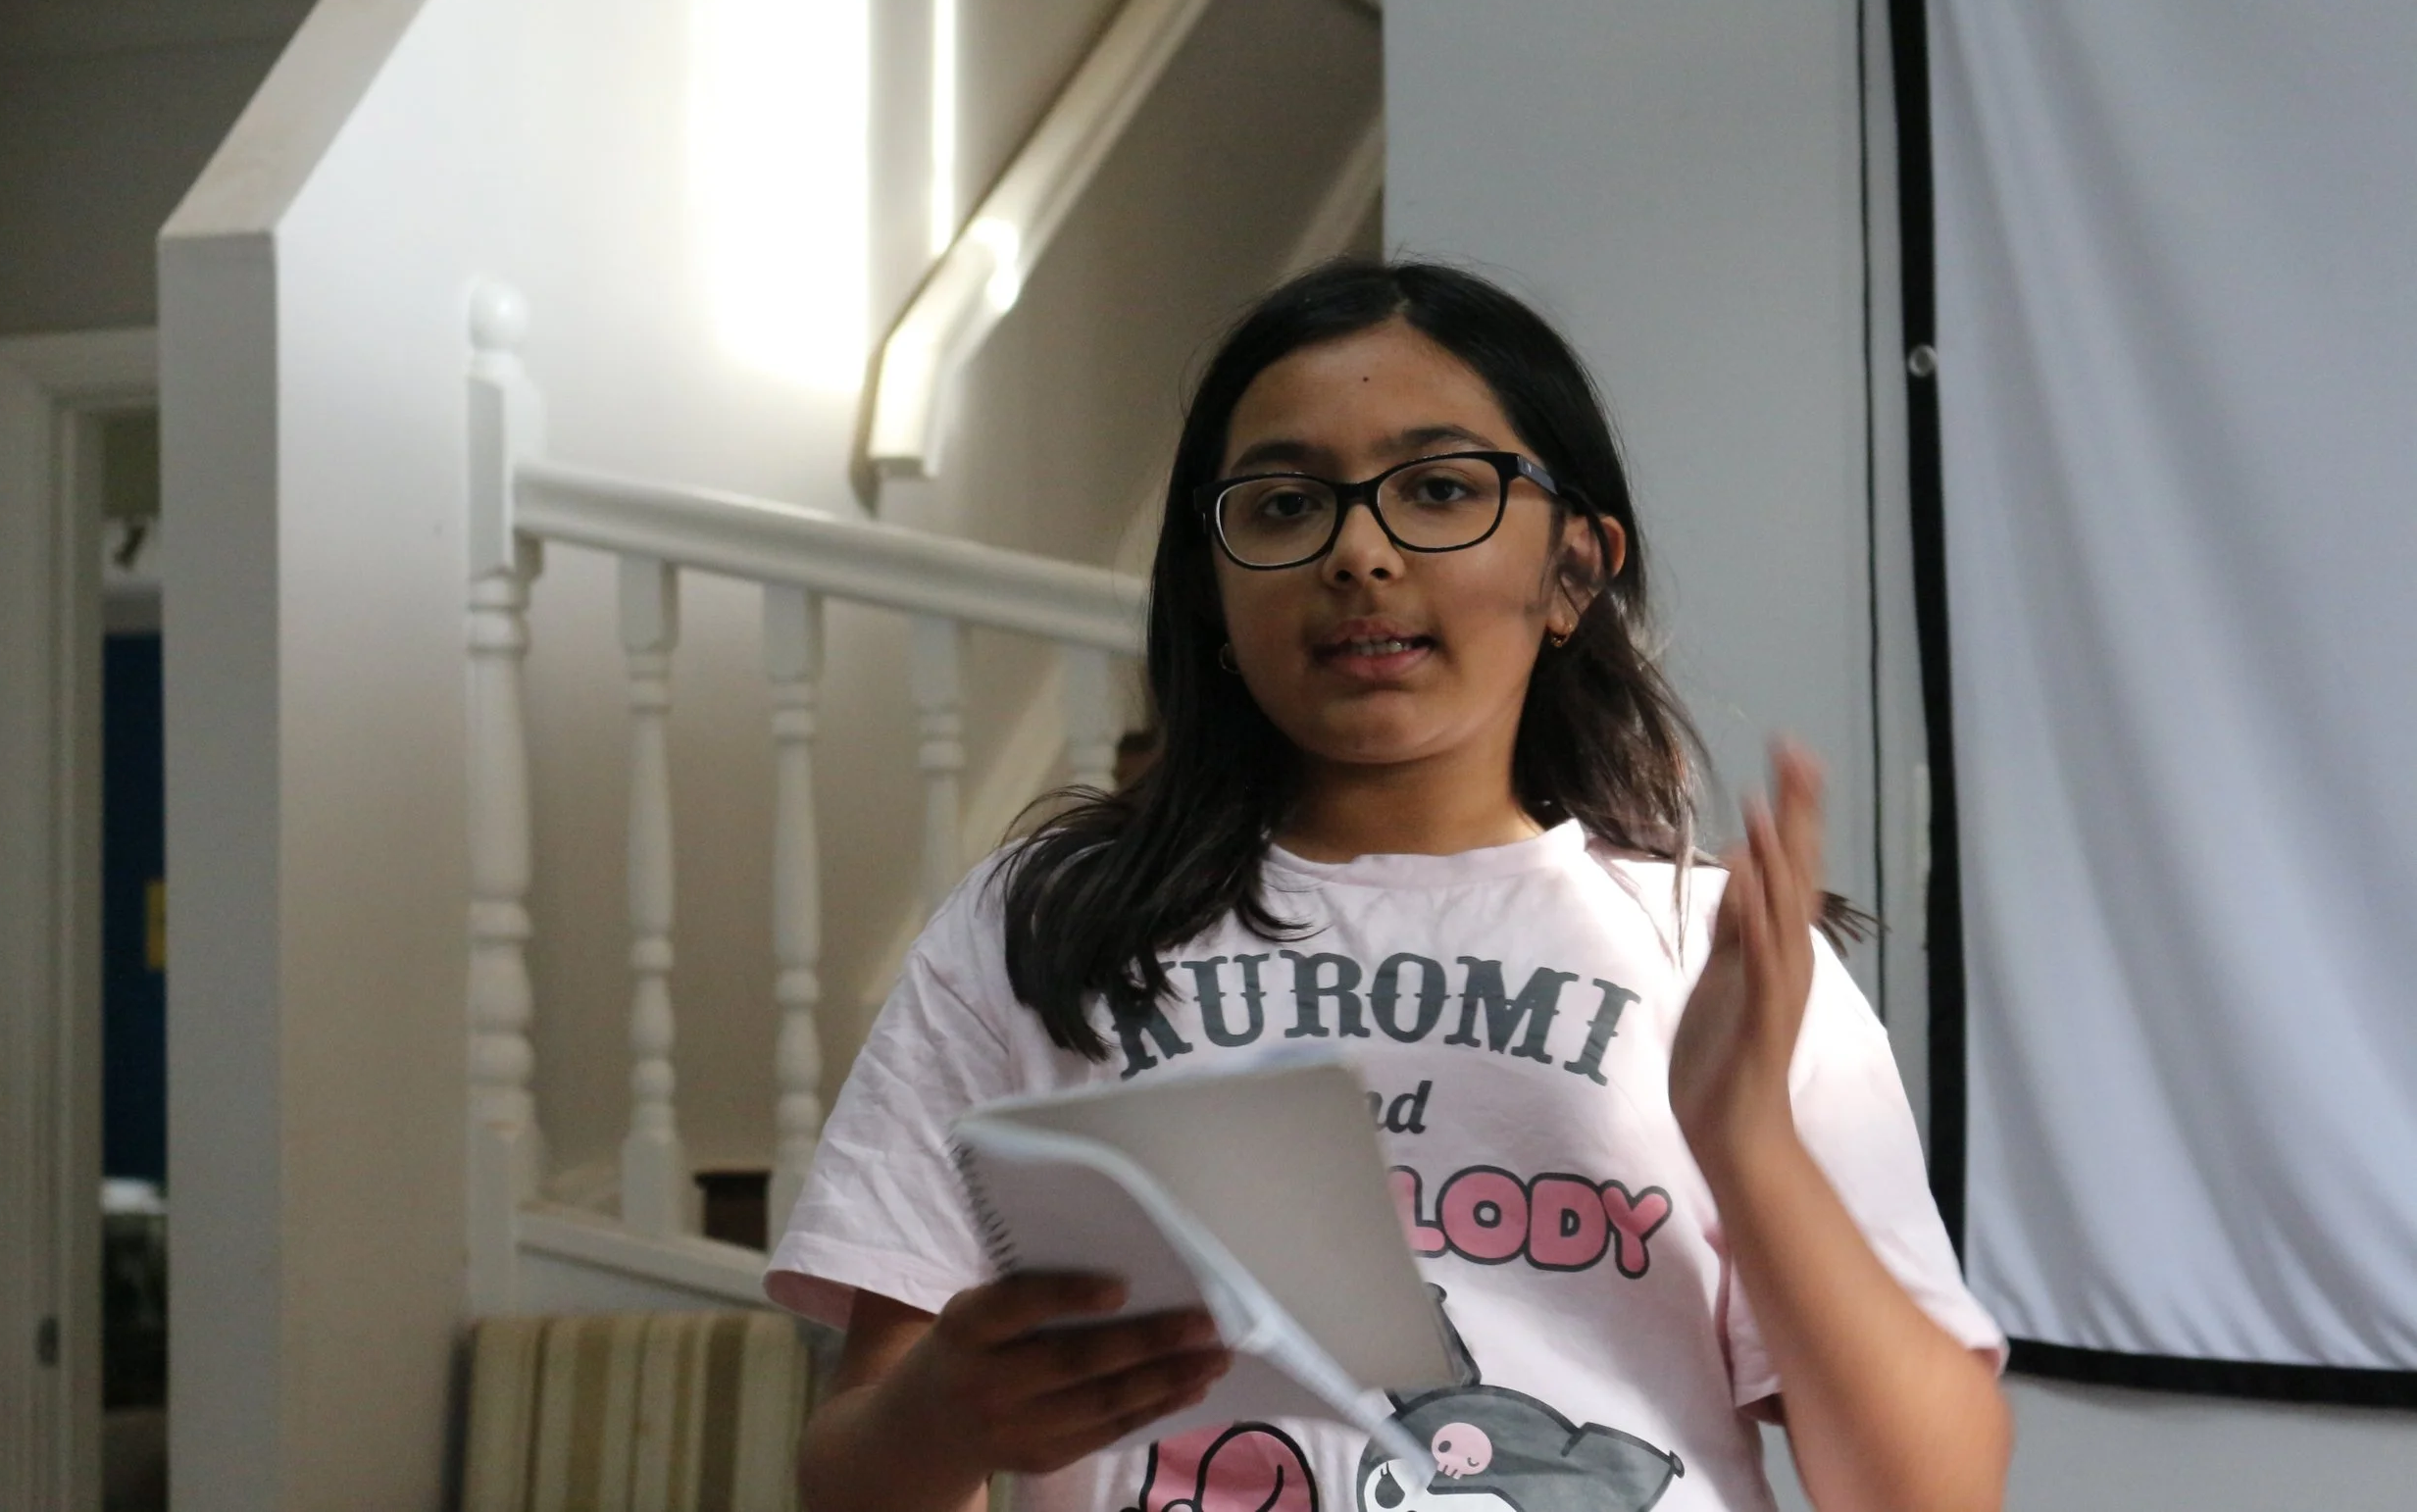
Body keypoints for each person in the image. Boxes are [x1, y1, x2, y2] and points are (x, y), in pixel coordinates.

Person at [771, 260, 2010, 1512]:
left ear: (1575, 570)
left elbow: (1931, 1493)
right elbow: (853, 1476)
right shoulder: (1039, 929)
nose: (1358, 552)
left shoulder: (1711, 955)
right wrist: (946, 1410)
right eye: (1283, 504)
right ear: (1211, 579)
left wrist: (1746, 1141)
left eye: (1439, 488)